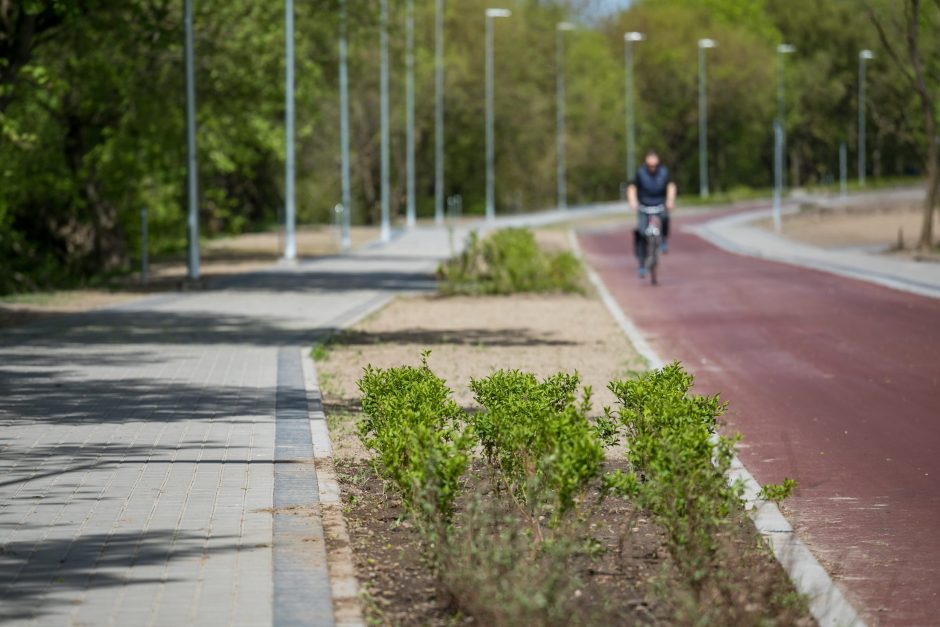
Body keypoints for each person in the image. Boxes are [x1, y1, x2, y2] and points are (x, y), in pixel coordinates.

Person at [627, 151, 676, 278]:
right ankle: (642, 265)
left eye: (655, 165)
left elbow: (671, 186)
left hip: (660, 204)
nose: (652, 168)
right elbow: (632, 187)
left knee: (665, 217)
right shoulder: (640, 173)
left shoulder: (664, 172)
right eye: (650, 165)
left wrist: (670, 200)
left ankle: (664, 240)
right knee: (642, 233)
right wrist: (633, 202)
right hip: (644, 206)